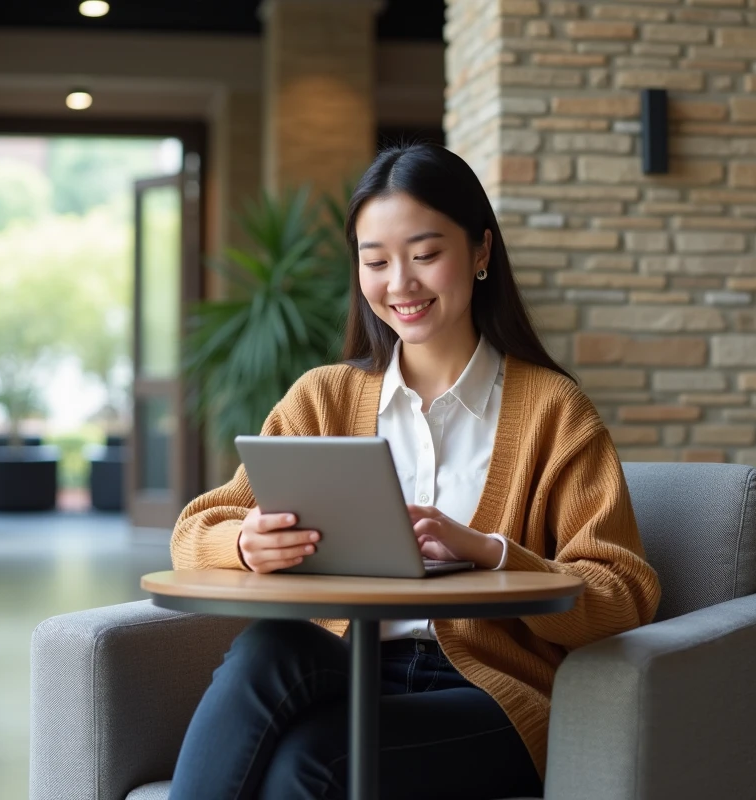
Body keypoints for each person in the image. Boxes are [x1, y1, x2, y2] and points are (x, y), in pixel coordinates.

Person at [168, 143, 661, 799]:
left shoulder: (554, 411)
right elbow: (195, 528)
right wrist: (243, 541)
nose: (399, 283)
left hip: (490, 691)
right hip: (350, 667)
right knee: (267, 650)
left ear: (482, 251)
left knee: (311, 762)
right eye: (376, 261)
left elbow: (623, 592)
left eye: (425, 255)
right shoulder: (323, 398)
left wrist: (489, 552)